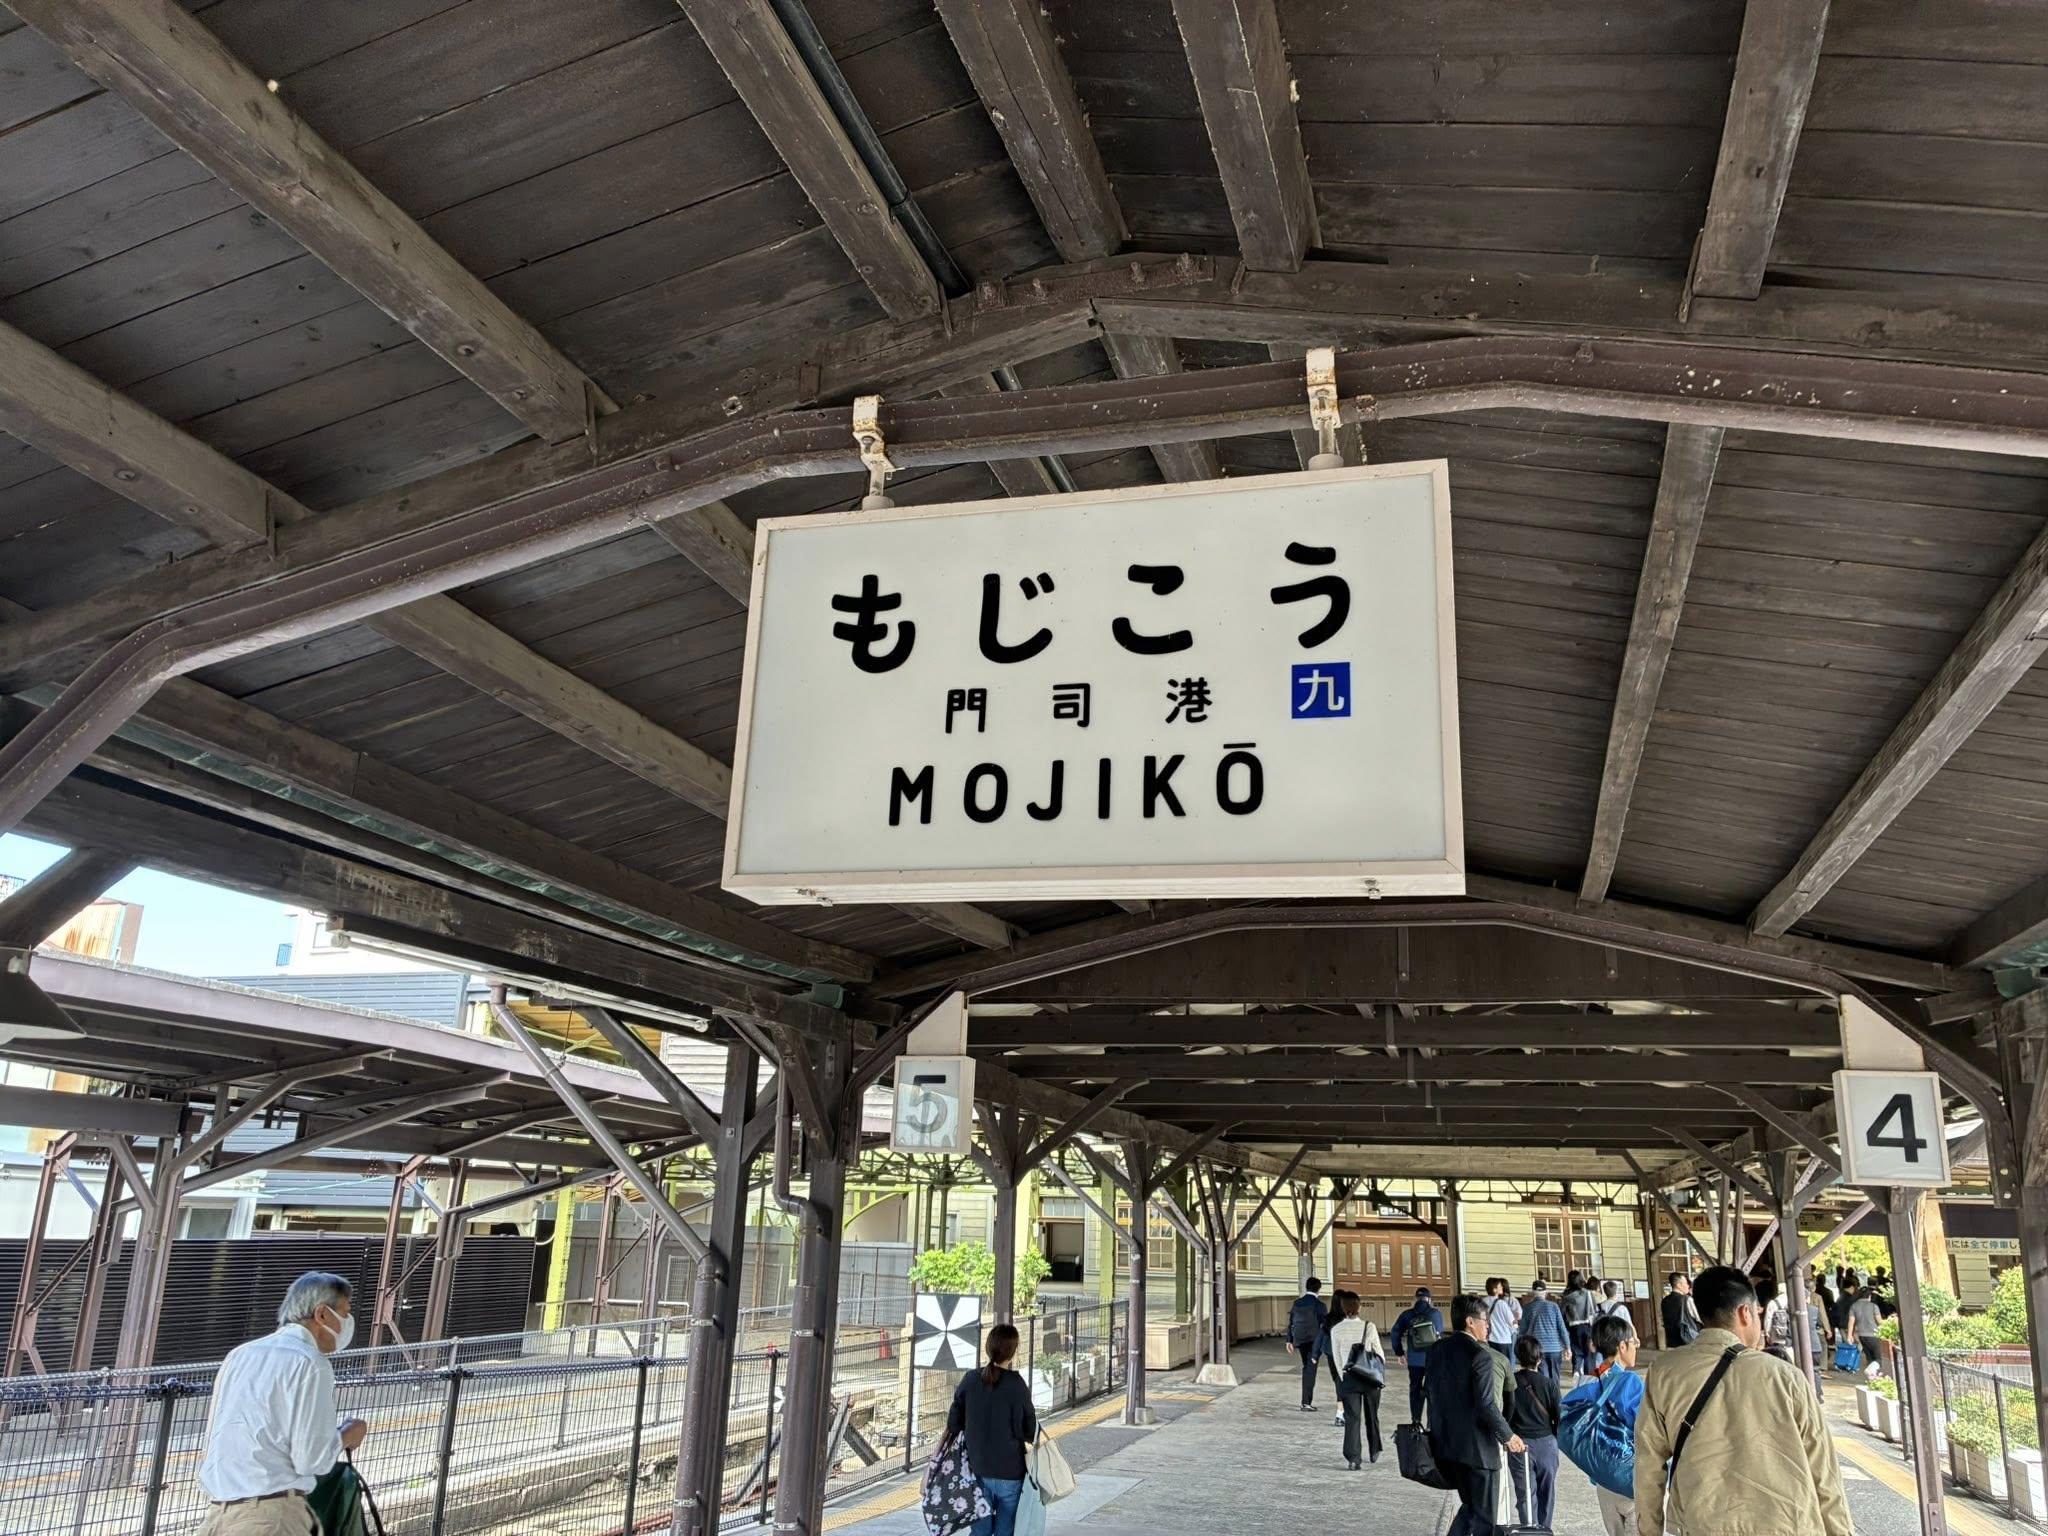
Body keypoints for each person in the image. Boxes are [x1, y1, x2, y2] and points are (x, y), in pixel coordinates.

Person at [1635, 1265, 1851, 1536]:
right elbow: (1824, 1471)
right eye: (1758, 1313)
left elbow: (1647, 1465)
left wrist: (1649, 1531)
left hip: (1703, 1525)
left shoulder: (1664, 1373)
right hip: (1788, 1525)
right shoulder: (1786, 1377)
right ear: (1744, 1312)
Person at [196, 1271, 368, 1535]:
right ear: (322, 1314)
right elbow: (312, 1459)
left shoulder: (240, 1355)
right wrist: (347, 1435)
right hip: (272, 1516)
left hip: (218, 1515)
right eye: (345, 1312)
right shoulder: (310, 1362)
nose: (348, 1322)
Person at [1426, 1293, 1525, 1536]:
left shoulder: (1437, 1349)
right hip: (1478, 1451)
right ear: (1470, 1322)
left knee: (1470, 1507)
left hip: (1446, 1446)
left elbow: (1428, 1392)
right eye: (1485, 1320)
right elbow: (1487, 1404)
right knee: (1485, 1519)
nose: (1488, 1326)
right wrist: (1508, 1435)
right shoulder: (1480, 1355)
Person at [947, 1323, 1039, 1536]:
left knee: (980, 1531)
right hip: (1010, 1472)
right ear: (1013, 1351)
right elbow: (1030, 1430)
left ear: (988, 1347)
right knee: (1006, 1530)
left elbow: (953, 1424)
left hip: (977, 1470)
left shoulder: (970, 1379)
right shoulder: (1017, 1384)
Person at [1563, 1313, 1646, 1536]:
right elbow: (1646, 1428)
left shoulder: (1586, 1381)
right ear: (1622, 1346)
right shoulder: (1630, 1382)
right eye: (1634, 1342)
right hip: (1629, 1479)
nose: (1636, 1348)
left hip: (1602, 1480)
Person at [1508, 1336, 1562, 1529]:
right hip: (1546, 1444)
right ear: (1539, 1358)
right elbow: (1559, 1416)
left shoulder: (1511, 1384)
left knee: (1525, 1495)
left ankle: (1529, 1530)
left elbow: (1506, 1415)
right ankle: (1545, 1530)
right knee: (1547, 1492)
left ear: (1517, 1357)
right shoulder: (1549, 1384)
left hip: (1519, 1445)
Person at [1329, 1292, 1386, 1469]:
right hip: (1369, 1377)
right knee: (1372, 1415)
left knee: (1352, 1418)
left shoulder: (1336, 1330)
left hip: (1349, 1379)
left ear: (1343, 1308)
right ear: (1359, 1307)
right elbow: (1379, 1353)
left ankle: (1353, 1459)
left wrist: (1344, 1376)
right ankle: (1374, 1450)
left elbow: (1337, 1359)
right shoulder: (1369, 1327)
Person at [1392, 1285, 1446, 1424]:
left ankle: (1415, 1421)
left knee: (1415, 1388)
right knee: (1432, 1390)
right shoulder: (1435, 1314)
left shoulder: (1407, 1314)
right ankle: (1430, 1423)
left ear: (1416, 1299)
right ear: (1429, 1299)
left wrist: (1399, 1353)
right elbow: (1439, 1333)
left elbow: (1395, 1333)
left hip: (1414, 1360)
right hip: (1432, 1359)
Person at [1286, 1276, 1329, 1411]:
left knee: (1307, 1367)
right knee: (1310, 1369)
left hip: (1299, 1340)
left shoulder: (1297, 1303)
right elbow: (1325, 1326)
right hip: (1314, 1342)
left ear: (1306, 1287)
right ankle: (1306, 1403)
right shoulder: (1320, 1305)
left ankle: (1305, 1401)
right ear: (1319, 1289)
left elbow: (1291, 1322)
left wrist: (1289, 1340)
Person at [1518, 1278, 1569, 1385]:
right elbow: (1562, 1328)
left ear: (1533, 1293)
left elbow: (1522, 1331)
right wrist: (1567, 1347)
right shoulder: (1554, 1306)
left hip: (1537, 1348)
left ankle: (1545, 1395)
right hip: (1555, 1348)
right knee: (1555, 1378)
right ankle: (1555, 1394)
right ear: (1546, 1292)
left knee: (1543, 1378)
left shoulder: (1527, 1308)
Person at [1562, 1270, 1599, 1377]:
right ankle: (1589, 1375)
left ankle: (1576, 1369)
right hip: (1588, 1325)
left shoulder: (1566, 1296)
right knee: (1589, 1353)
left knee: (1576, 1350)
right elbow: (1594, 1311)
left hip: (1573, 1326)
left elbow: (1563, 1312)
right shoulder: (1587, 1293)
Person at [1847, 1278, 1884, 1371]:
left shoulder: (1854, 1306)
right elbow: (1880, 1321)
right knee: (1878, 1359)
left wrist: (1849, 1335)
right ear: (1869, 1296)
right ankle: (1874, 1375)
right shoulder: (1873, 1306)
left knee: (1869, 1358)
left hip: (1862, 1335)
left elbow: (1851, 1322)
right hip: (1874, 1335)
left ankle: (1870, 1375)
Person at [1484, 1277, 1522, 1364]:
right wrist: (1516, 1328)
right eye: (1500, 1286)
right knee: (1505, 1365)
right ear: (1494, 1289)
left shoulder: (1483, 1302)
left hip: (1489, 1339)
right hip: (1503, 1339)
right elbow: (1512, 1321)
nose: (1502, 1287)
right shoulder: (1502, 1303)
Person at [1659, 1273, 1699, 1350]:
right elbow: (1699, 1318)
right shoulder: (1687, 1299)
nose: (1688, 1286)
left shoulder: (1664, 1301)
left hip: (1671, 1343)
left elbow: (1662, 1320)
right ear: (1679, 1285)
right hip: (1688, 1342)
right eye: (1686, 1283)